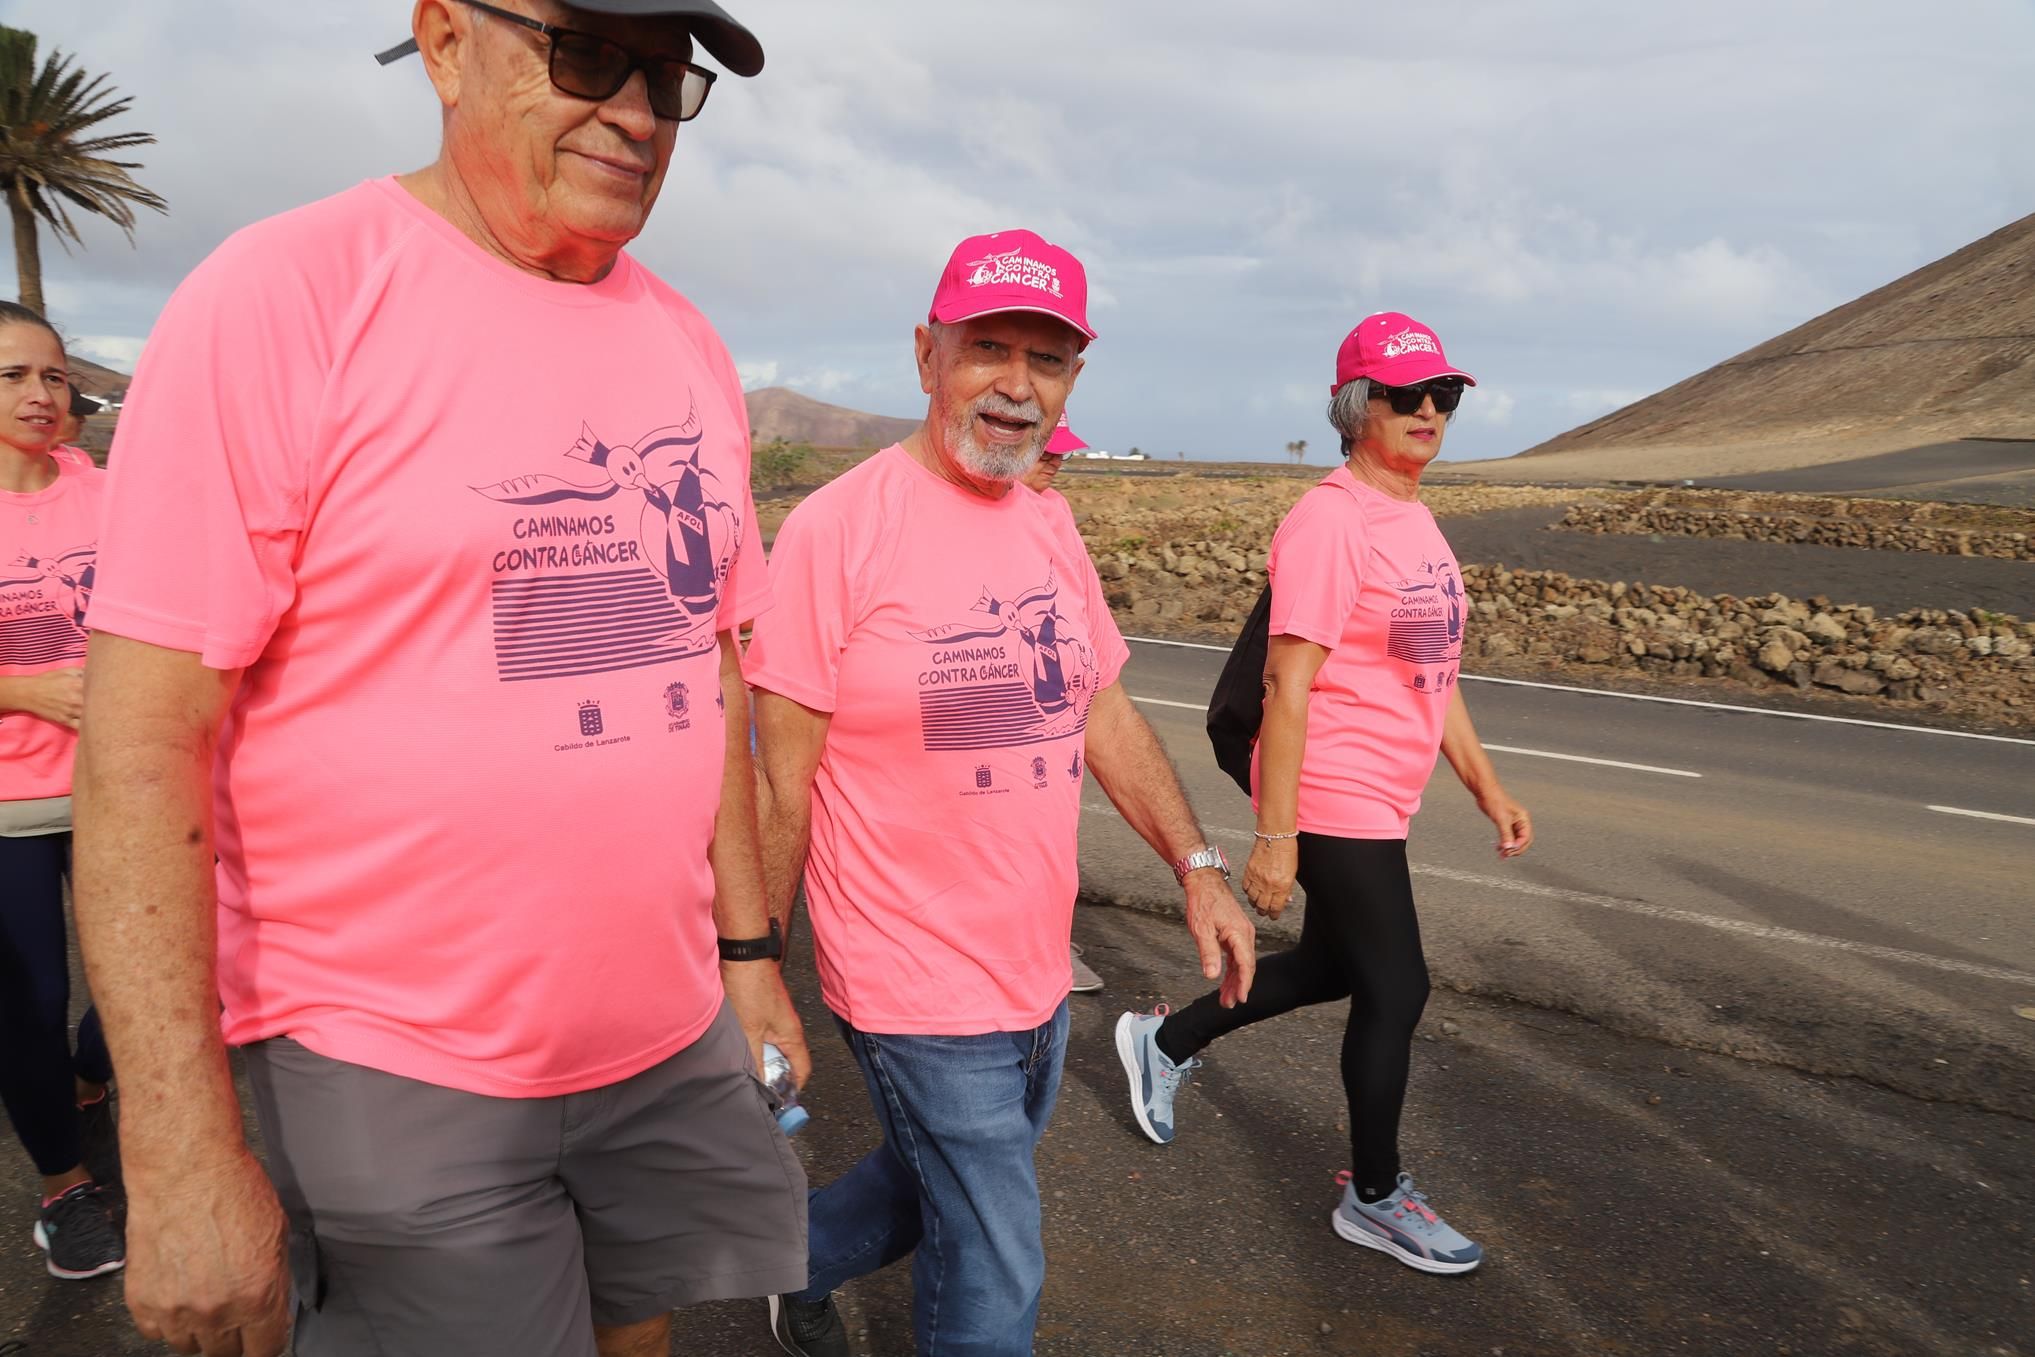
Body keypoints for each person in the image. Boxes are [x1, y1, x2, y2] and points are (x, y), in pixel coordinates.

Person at [71, 5, 806, 1356]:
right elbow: (136, 742)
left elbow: (702, 681)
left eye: (663, 74)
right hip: (385, 1066)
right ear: (446, 42)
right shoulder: (283, 295)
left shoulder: (688, 343)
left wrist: (746, 960)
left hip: (659, 1036)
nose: (636, 114)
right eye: (587, 55)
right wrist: (175, 1158)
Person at [749, 230, 1258, 1357]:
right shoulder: (838, 529)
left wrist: (1199, 865)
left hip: (1031, 964)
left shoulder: (1047, 522)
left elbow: (1102, 709)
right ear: (927, 355)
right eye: (988, 348)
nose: (1017, 385)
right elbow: (777, 778)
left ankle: (783, 1259)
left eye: (1048, 358)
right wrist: (753, 975)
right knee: (993, 1253)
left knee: (928, 1181)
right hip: (907, 971)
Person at [1115, 312, 1534, 1275]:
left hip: (1384, 790)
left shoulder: (1414, 518)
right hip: (1329, 785)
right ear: (1356, 410)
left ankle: (1164, 1038)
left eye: (1445, 394)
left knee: (1346, 965)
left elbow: (1433, 671)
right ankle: (1376, 1196)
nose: (1429, 410)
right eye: (1405, 395)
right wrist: (1276, 834)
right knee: (1400, 983)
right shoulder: (1331, 520)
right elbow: (1285, 687)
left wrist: (1486, 787)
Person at [0, 301, 122, 1284]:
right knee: (28, 1003)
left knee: (154, 982)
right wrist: (23, 688)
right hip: (6, 808)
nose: (41, 395)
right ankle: (65, 1186)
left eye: (52, 375)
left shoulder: (107, 491)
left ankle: (92, 1073)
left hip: (116, 780)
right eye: (12, 377)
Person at [1020, 412, 1104, 994]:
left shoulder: (1056, 512)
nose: (1057, 459)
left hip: (1057, 694)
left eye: (1063, 450)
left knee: (1051, 826)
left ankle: (1052, 939)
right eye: (1046, 449)